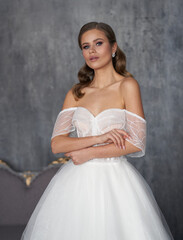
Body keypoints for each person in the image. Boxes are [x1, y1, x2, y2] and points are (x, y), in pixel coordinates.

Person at [21, 22, 174, 239]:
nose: (92, 51)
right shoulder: (76, 92)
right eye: (85, 46)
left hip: (116, 181)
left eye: (98, 43)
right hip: (75, 183)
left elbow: (137, 143)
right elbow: (58, 144)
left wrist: (89, 152)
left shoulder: (127, 86)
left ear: (113, 48)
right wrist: (100, 138)